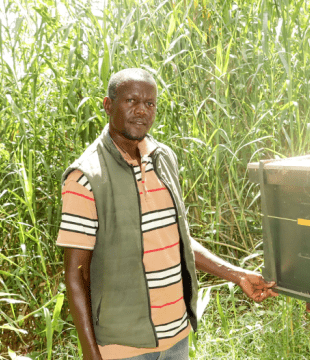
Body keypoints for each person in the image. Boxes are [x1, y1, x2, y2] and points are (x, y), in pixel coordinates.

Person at [56, 68, 278, 360]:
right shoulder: (85, 177)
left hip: (176, 339)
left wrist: (237, 275)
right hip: (123, 348)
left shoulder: (164, 158)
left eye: (150, 103)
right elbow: (75, 274)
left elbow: (177, 240)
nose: (141, 111)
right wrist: (91, 354)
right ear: (108, 105)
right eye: (131, 101)